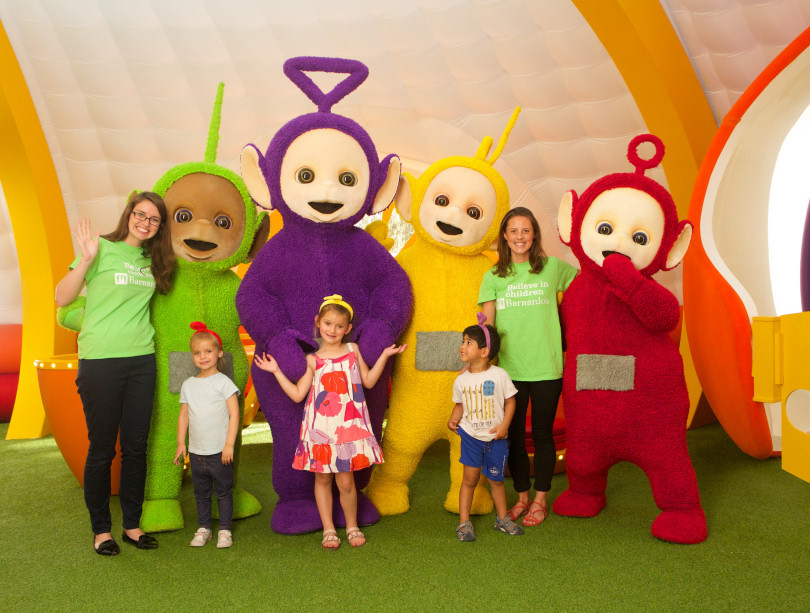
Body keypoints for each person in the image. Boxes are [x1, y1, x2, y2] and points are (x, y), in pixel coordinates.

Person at [55, 191, 175, 555]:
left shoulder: (155, 260)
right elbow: (62, 298)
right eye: (141, 214)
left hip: (141, 360)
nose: (145, 223)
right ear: (129, 214)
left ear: (160, 227)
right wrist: (85, 261)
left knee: (136, 448)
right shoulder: (101, 249)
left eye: (154, 219)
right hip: (101, 361)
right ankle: (101, 531)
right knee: (103, 448)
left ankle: (132, 526)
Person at [253, 295, 405, 549]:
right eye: (327, 323)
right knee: (322, 480)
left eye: (339, 325)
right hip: (320, 431)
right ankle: (329, 529)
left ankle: (352, 525)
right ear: (318, 322)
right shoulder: (312, 360)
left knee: (346, 482)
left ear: (347, 328)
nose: (332, 330)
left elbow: (368, 381)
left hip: (348, 431)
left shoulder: (353, 351)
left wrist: (385, 356)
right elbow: (297, 395)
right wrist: (276, 371)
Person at [478, 207, 578, 527]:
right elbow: (487, 328)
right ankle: (522, 497)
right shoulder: (492, 277)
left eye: (525, 230)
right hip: (510, 371)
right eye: (513, 231)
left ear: (534, 234)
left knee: (544, 435)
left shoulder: (553, 268)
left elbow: (584, 288)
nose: (519, 237)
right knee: (515, 438)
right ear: (505, 237)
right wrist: (480, 365)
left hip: (548, 366)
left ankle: (540, 500)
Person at [448, 315, 520, 542]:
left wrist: (504, 425)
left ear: (484, 351)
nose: (462, 346)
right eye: (463, 341)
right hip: (471, 437)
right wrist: (453, 419)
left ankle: (502, 519)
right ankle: (464, 522)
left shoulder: (499, 375)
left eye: (469, 342)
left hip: (496, 438)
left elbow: (511, 402)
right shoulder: (461, 380)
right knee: (469, 480)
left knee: (496, 481)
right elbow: (460, 404)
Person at [174, 322, 240, 549]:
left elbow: (234, 414)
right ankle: (204, 528)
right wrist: (181, 443)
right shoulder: (188, 384)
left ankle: (225, 530)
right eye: (197, 353)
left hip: (220, 452)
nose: (203, 356)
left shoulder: (224, 382)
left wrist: (229, 445)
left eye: (208, 351)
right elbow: (184, 415)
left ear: (219, 353)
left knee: (223, 492)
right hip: (196, 452)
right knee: (200, 493)